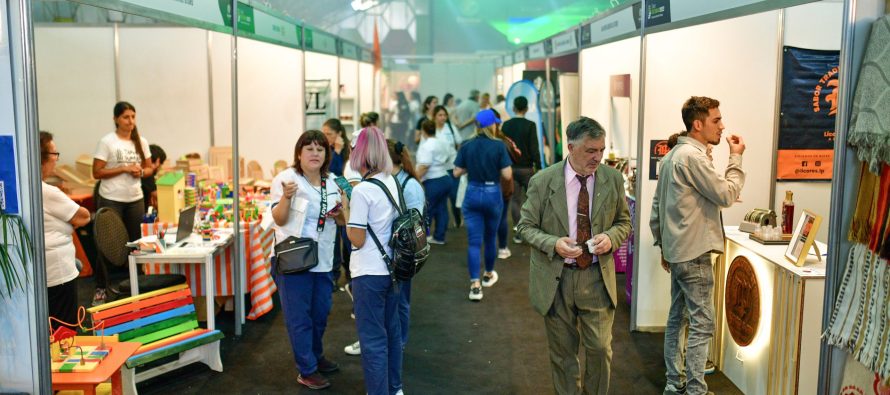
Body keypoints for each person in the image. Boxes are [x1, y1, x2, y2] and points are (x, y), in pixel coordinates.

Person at [516, 116, 631, 395]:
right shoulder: (543, 181)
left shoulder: (612, 179)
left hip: (596, 277)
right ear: (570, 147)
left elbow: (624, 222)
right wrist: (554, 243)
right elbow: (525, 227)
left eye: (601, 150)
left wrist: (611, 238)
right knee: (563, 355)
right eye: (590, 151)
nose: (598, 157)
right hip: (556, 279)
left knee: (600, 349)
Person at [650, 96, 746, 395]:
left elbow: (658, 208)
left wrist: (664, 246)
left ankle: (674, 382)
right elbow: (726, 194)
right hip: (693, 253)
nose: (722, 126)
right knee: (702, 324)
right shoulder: (692, 157)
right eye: (716, 120)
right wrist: (736, 158)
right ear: (698, 124)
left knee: (678, 318)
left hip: (680, 252)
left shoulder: (672, 156)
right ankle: (695, 390)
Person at [270, 130, 345, 390]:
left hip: (323, 259)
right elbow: (279, 220)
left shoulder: (334, 182)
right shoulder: (286, 179)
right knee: (299, 317)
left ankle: (315, 355)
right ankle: (307, 369)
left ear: (327, 154)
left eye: (320, 149)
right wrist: (286, 198)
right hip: (294, 260)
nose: (315, 153)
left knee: (320, 313)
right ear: (299, 153)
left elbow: (344, 220)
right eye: (309, 148)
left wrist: (339, 214)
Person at [346, 127, 404, 395]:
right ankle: (394, 388)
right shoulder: (392, 181)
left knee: (372, 341)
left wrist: (348, 209)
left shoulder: (362, 191)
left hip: (368, 272)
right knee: (391, 334)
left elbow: (357, 239)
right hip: (392, 269)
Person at [91, 101, 154, 305]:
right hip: (111, 198)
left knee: (136, 244)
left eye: (133, 116)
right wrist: (124, 169)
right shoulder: (107, 142)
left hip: (135, 198)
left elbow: (149, 168)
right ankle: (101, 288)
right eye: (126, 117)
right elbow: (96, 172)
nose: (130, 121)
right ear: (116, 119)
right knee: (107, 244)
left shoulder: (141, 141)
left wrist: (141, 172)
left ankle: (137, 286)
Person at [453, 109, 513, 301]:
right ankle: (487, 275)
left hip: (472, 192)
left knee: (473, 242)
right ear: (491, 125)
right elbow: (507, 175)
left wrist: (471, 166)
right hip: (492, 194)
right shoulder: (498, 146)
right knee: (490, 238)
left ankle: (475, 286)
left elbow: (456, 172)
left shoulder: (467, 145)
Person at [40, 132, 91, 330]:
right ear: (43, 158)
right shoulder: (47, 192)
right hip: (58, 272)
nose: (56, 159)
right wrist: (68, 223)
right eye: (54, 154)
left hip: (45, 272)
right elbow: (83, 216)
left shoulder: (23, 188)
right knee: (65, 330)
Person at [502, 96, 541, 244]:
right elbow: (534, 147)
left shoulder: (506, 125)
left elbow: (504, 147)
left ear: (513, 108)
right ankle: (532, 231)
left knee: (515, 200)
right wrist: (539, 166)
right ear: (526, 109)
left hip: (511, 168)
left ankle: (519, 233)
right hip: (527, 169)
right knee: (532, 199)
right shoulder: (530, 125)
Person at [488, 109, 520, 259]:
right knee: (501, 218)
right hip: (503, 185)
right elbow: (517, 154)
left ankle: (489, 248)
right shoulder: (505, 141)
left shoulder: (475, 142)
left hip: (483, 187)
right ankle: (502, 248)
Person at [322, 118, 351, 284]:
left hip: (346, 196)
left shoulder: (347, 149)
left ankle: (349, 272)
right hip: (331, 197)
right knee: (333, 236)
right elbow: (326, 172)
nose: (325, 137)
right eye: (324, 133)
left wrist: (338, 152)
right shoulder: (327, 149)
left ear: (339, 133)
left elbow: (338, 173)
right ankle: (334, 274)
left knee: (347, 236)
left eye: (329, 134)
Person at [416, 120, 451, 244]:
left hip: (433, 181)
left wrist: (414, 178)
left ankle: (423, 238)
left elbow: (424, 166)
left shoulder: (427, 145)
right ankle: (439, 237)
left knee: (428, 210)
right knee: (442, 208)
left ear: (423, 131)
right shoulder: (442, 142)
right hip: (445, 178)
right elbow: (447, 158)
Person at [431, 105, 463, 228]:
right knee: (441, 198)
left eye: (444, 115)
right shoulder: (431, 129)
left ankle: (457, 216)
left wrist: (458, 160)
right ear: (434, 116)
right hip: (437, 169)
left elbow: (459, 143)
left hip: (452, 167)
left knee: (454, 196)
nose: (443, 118)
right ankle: (442, 224)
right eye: (440, 115)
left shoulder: (450, 127)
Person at [141, 144, 166, 213]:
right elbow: (158, 196)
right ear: (158, 161)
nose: (160, 167)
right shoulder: (147, 173)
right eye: (161, 164)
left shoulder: (142, 169)